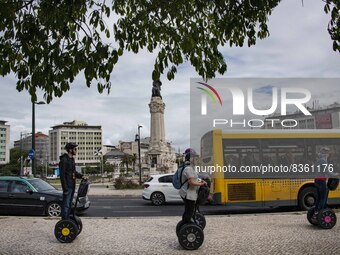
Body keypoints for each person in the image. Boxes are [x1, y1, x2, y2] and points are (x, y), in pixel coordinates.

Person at [179, 148, 207, 225]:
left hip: (190, 193)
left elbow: (195, 179)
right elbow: (191, 182)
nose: (196, 159)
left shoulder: (191, 168)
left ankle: (184, 225)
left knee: (189, 211)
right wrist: (202, 184)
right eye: (195, 158)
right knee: (189, 212)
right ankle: (186, 226)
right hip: (188, 194)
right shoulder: (188, 169)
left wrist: (201, 181)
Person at [59, 142, 83, 219]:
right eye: (75, 149)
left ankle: (67, 220)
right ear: (70, 150)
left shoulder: (71, 159)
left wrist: (82, 176)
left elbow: (74, 172)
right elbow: (62, 176)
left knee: (69, 204)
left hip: (72, 185)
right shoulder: (64, 160)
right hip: (68, 186)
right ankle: (64, 221)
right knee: (66, 205)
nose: (76, 150)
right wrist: (65, 189)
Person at [314, 147, 331, 214]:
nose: (328, 154)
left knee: (319, 198)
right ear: (326, 153)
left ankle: (316, 211)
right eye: (328, 153)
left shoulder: (318, 160)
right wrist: (336, 174)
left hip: (317, 180)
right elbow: (326, 171)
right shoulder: (323, 160)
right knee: (323, 198)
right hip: (321, 181)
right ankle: (319, 212)